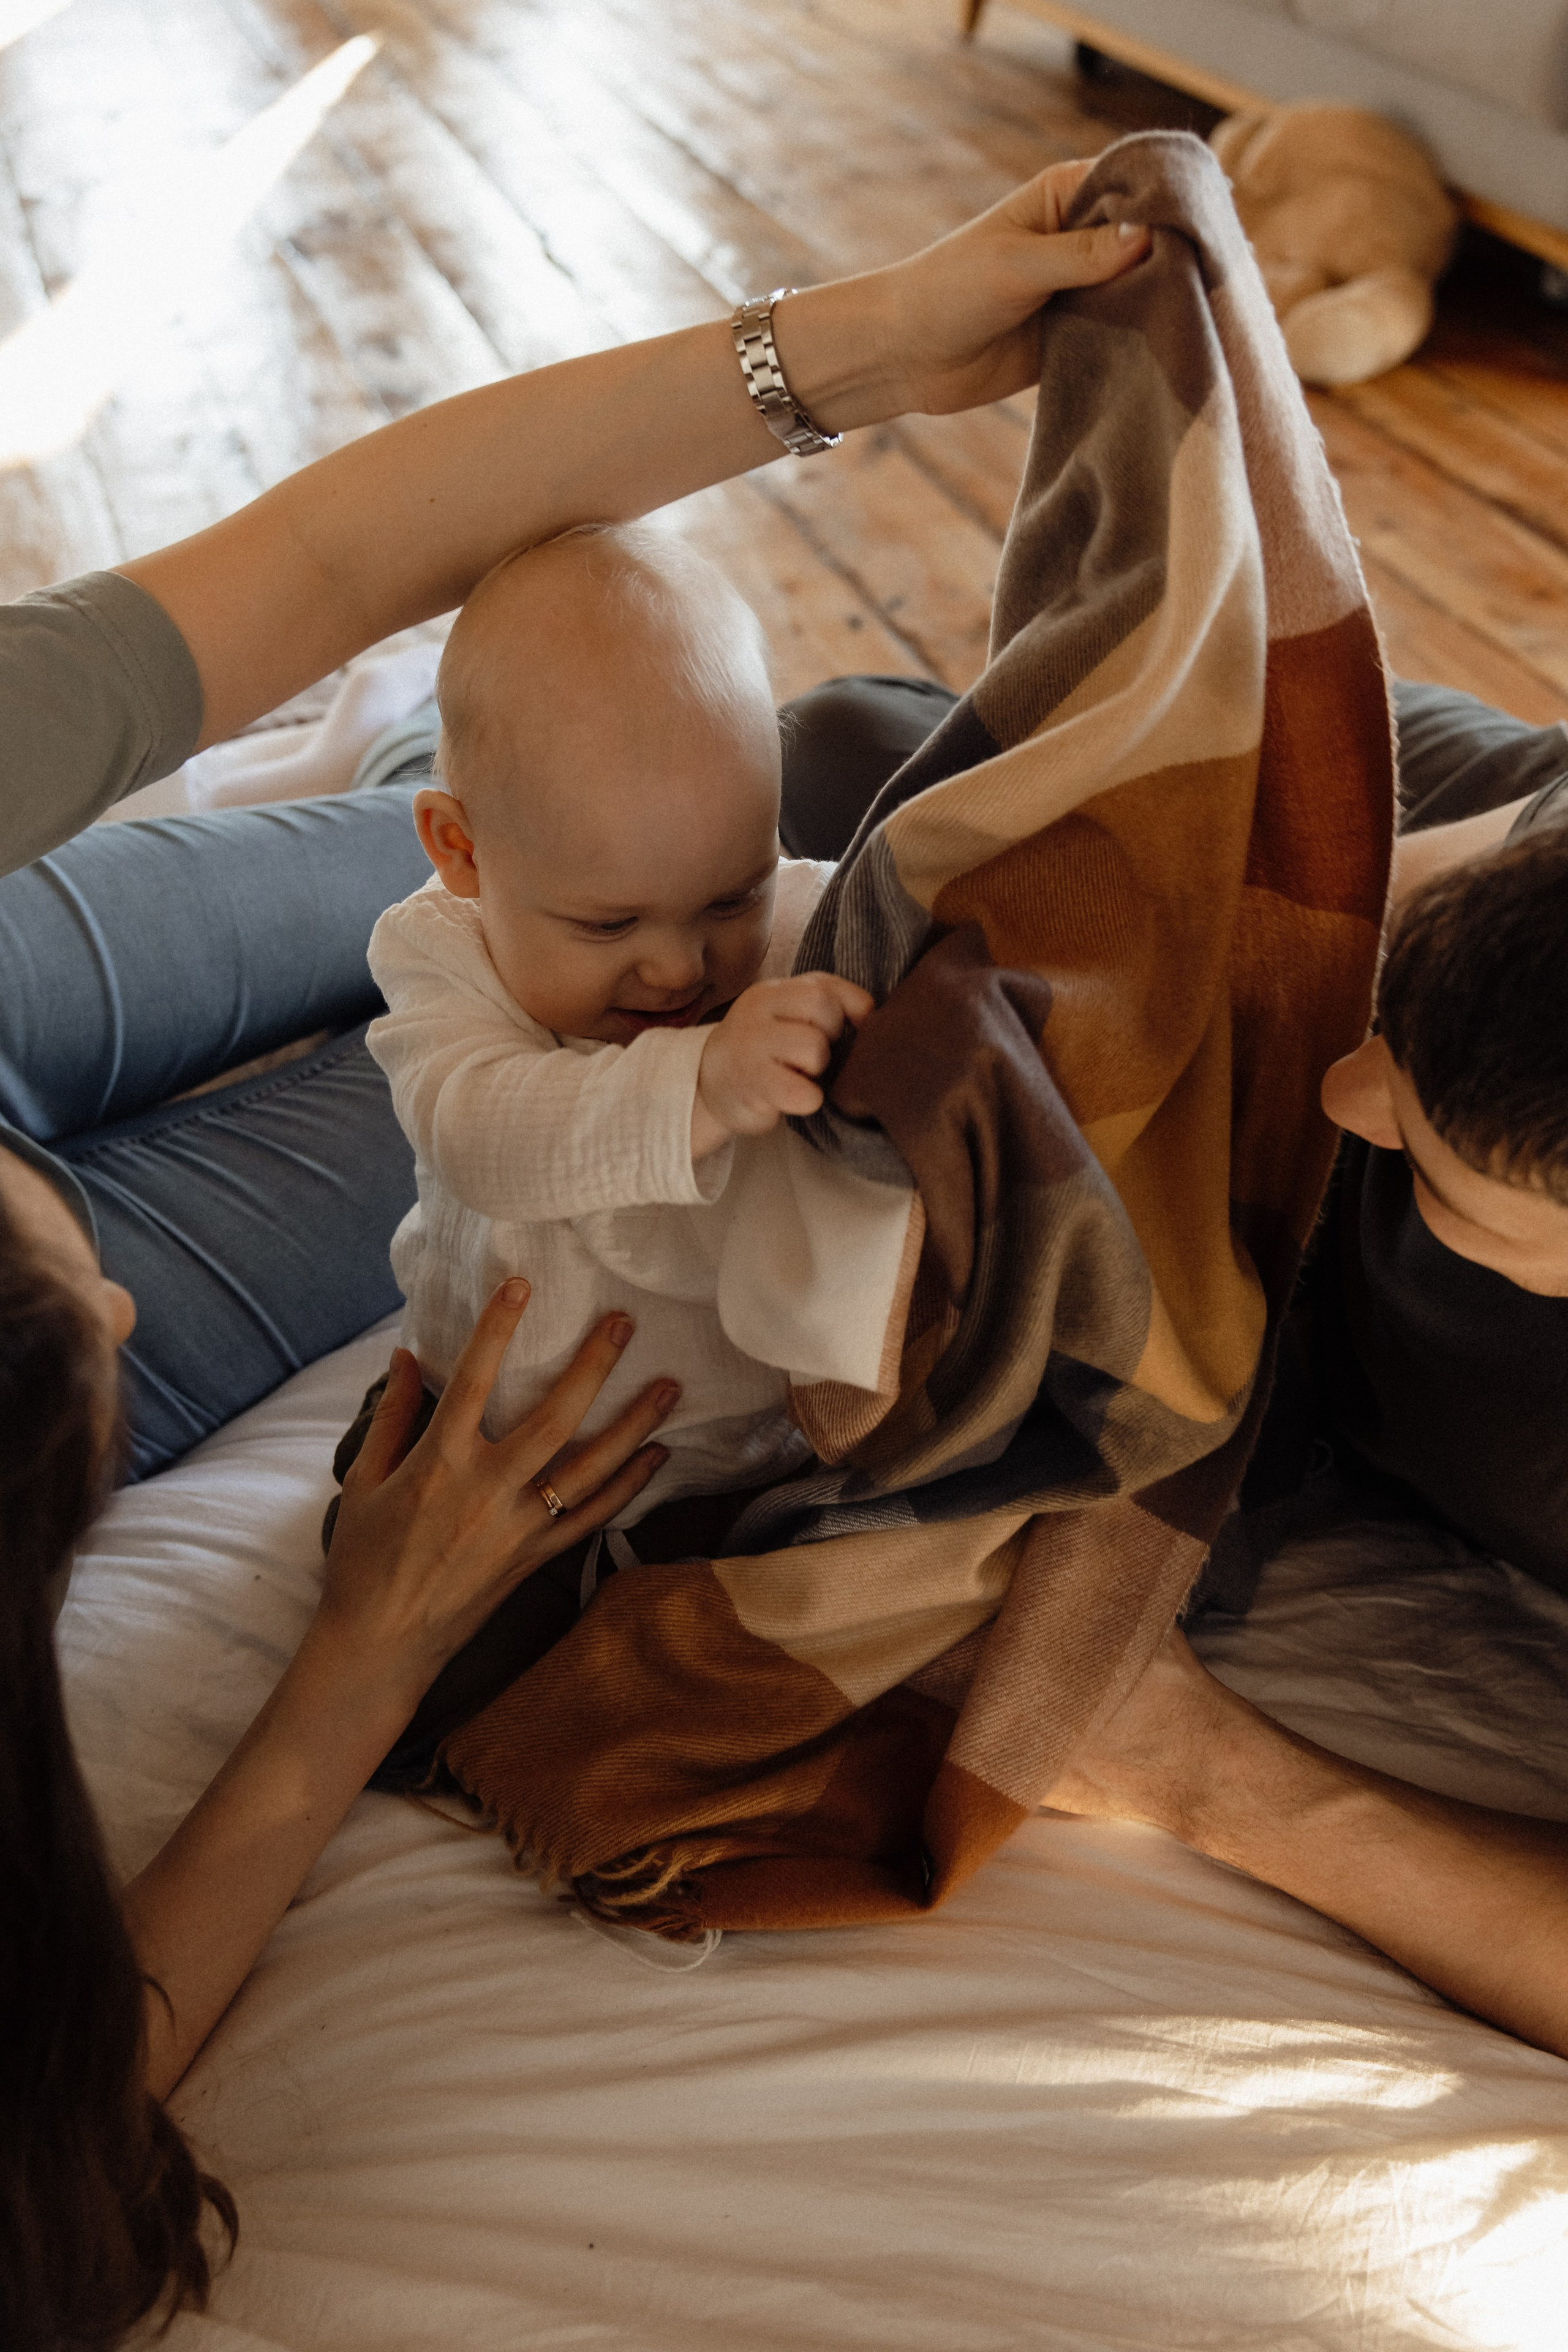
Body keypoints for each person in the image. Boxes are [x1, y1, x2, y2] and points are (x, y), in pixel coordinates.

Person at [0, 162, 1157, 2350]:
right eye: (613, 923)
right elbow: (488, 1108)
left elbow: (328, 555)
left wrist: (875, 342)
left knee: (549, 826)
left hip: (516, 872)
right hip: (515, 1072)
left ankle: (547, 752)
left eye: (706, 907)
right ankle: (523, 780)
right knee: (458, 1020)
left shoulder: (696, 919)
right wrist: (697, 1060)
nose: (680, 971)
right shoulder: (469, 985)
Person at [368, 524, 867, 1518]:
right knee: (394, 1547)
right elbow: (479, 1135)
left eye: (732, 897)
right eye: (610, 923)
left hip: (766, 1450)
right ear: (461, 849)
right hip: (492, 1452)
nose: (681, 966)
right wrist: (703, 1083)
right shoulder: (440, 955)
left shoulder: (810, 927)